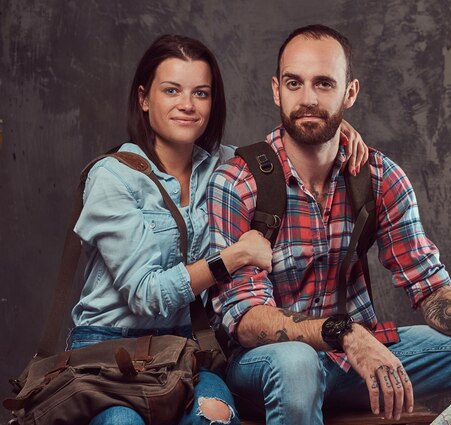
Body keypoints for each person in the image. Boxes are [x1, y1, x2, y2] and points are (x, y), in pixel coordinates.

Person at [206, 24, 451, 425]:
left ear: (350, 92)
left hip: (355, 357)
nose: (307, 98)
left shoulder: (378, 176)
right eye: (294, 83)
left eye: (324, 84)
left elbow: (426, 285)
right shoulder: (237, 183)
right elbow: (245, 319)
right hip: (268, 367)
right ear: (277, 90)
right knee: (296, 364)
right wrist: (345, 333)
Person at [67, 33, 370, 425]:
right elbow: (147, 294)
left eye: (201, 93)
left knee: (216, 414)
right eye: (172, 90)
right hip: (109, 351)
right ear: (144, 98)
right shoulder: (113, 177)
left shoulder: (221, 166)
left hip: (185, 352)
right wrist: (234, 256)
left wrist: (335, 133)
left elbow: (286, 147)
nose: (187, 105)